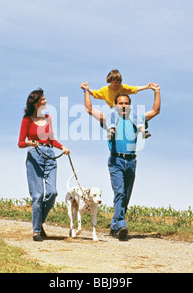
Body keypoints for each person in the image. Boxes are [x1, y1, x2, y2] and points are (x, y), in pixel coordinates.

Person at [82, 82, 161, 240]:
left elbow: (155, 111)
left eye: (126, 103)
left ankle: (114, 226)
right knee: (119, 193)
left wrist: (157, 91)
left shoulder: (136, 119)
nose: (123, 105)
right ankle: (121, 225)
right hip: (116, 160)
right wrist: (86, 91)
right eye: (120, 103)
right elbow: (89, 110)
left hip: (131, 162)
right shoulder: (109, 119)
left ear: (130, 106)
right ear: (115, 105)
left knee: (125, 197)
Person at [18, 88, 70, 241]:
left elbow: (51, 139)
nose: (45, 101)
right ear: (35, 103)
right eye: (42, 99)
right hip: (35, 155)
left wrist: (62, 147)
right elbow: (20, 143)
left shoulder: (48, 118)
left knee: (52, 192)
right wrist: (29, 143)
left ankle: (39, 221)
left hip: (50, 155)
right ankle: (36, 232)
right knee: (38, 195)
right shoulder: (26, 120)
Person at [83, 69, 157, 140]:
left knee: (134, 114)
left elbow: (134, 89)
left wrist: (147, 87)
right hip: (113, 108)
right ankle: (112, 131)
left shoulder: (122, 87)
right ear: (110, 81)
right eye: (115, 82)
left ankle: (143, 130)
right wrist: (86, 89)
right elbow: (94, 93)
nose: (117, 84)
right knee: (112, 114)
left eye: (119, 82)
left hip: (124, 109)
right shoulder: (105, 90)